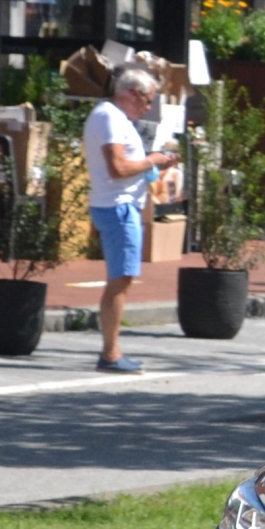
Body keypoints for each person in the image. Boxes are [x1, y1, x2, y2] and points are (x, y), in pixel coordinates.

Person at [82, 65, 179, 373]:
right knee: (120, 280)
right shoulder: (109, 116)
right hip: (118, 206)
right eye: (147, 100)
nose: (148, 107)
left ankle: (111, 350)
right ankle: (110, 352)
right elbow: (118, 168)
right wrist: (151, 160)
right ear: (133, 93)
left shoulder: (111, 116)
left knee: (120, 279)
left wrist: (153, 166)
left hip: (118, 204)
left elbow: (124, 167)